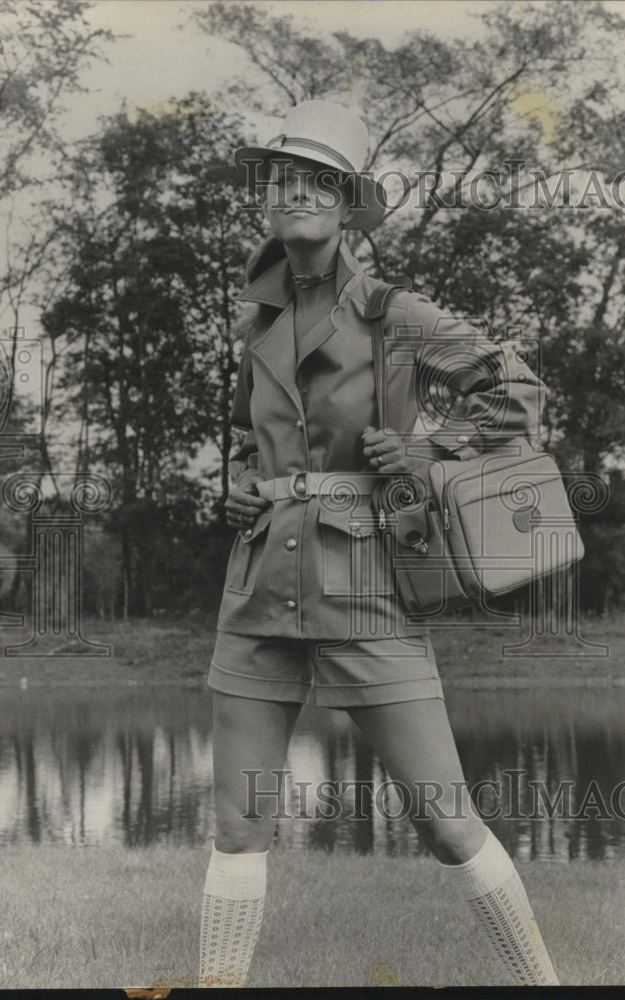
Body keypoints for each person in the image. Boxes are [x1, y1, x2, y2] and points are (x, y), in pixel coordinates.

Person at [199, 100, 559, 988]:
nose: (293, 190)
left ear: (348, 201)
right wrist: (243, 487)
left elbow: (516, 390)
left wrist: (432, 448)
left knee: (443, 819)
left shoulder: (396, 312)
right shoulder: (253, 325)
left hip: (365, 578)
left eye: (315, 178)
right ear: (265, 200)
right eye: (279, 177)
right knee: (239, 823)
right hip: (257, 587)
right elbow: (255, 444)